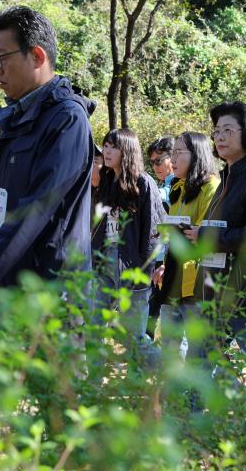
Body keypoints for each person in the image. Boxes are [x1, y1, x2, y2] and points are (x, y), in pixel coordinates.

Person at [0, 6, 96, 306]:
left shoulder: (67, 119)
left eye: (2, 57)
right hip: (9, 289)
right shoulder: (17, 118)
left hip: (50, 297)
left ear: (37, 56)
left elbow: (38, 207)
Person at [186, 101, 246, 393]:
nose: (219, 136)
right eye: (216, 130)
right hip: (219, 293)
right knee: (197, 365)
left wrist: (208, 236)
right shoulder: (227, 181)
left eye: (228, 130)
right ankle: (192, 428)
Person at [90, 129, 164, 368]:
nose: (107, 151)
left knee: (133, 336)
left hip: (134, 265)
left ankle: (170, 377)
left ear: (127, 150)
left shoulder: (144, 182)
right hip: (105, 263)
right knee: (93, 326)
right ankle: (91, 384)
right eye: (105, 146)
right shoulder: (107, 181)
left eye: (113, 146)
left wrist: (147, 268)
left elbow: (154, 230)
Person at [152, 132, 220, 361]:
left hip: (196, 284)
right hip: (173, 277)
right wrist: (165, 263)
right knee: (170, 345)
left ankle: (195, 395)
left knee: (196, 349)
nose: (173, 160)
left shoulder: (211, 187)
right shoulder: (178, 188)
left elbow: (206, 234)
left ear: (197, 155)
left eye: (179, 153)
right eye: (173, 154)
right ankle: (173, 394)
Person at [146, 137, 175, 340]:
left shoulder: (173, 187)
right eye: (152, 162)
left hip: (167, 259)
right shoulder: (165, 186)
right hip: (161, 257)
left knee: (154, 313)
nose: (155, 166)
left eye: (159, 160)